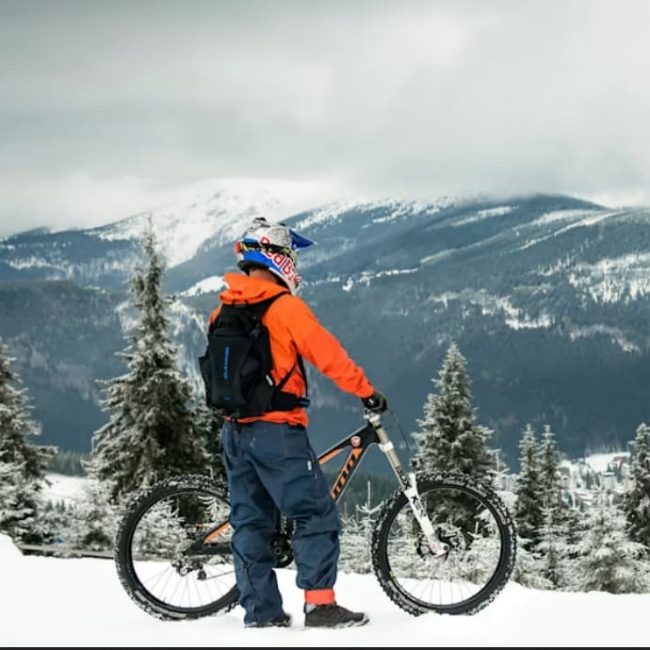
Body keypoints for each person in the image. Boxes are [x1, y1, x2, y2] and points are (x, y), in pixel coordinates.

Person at [208, 217, 387, 629]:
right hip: (277, 433)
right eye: (289, 254)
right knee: (314, 513)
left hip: (234, 433)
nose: (293, 262)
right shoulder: (284, 307)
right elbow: (328, 355)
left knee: (250, 521)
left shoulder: (223, 309)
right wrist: (365, 391)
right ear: (275, 258)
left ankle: (261, 612)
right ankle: (321, 606)